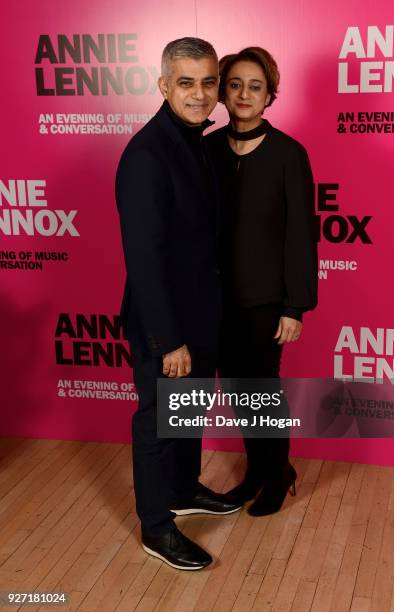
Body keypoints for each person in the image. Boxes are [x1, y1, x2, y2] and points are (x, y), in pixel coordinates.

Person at [115, 37, 241, 571]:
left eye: (208, 82)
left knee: (186, 414)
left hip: (201, 311)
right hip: (164, 325)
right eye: (185, 82)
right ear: (164, 85)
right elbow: (145, 260)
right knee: (158, 424)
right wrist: (169, 340)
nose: (199, 93)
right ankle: (156, 526)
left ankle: (184, 490)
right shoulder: (147, 155)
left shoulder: (195, 140)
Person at [205, 47, 318, 516]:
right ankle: (255, 471)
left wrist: (294, 307)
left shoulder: (290, 154)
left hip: (266, 302)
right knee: (237, 389)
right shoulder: (206, 149)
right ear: (222, 93)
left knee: (262, 390)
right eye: (235, 84)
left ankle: (278, 473)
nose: (244, 94)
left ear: (270, 94)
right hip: (214, 299)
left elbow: (301, 237)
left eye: (255, 86)